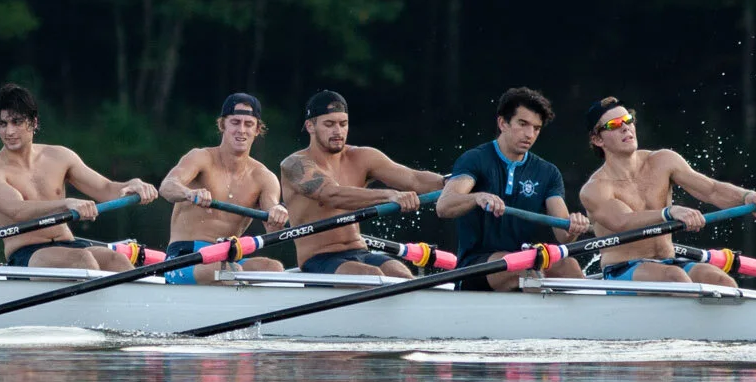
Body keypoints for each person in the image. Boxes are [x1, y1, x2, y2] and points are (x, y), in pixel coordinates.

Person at [579, 97, 756, 287]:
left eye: (628, 119)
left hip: (670, 263)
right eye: (614, 124)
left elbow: (712, 190)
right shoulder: (595, 188)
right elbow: (622, 221)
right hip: (622, 269)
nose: (625, 127)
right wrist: (669, 212)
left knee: (721, 281)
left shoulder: (663, 161)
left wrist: (746, 196)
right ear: (598, 140)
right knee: (676, 279)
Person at [0, 83, 158, 270]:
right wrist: (66, 203)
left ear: (34, 122)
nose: (9, 132)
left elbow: (105, 189)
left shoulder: (60, 156)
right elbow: (18, 211)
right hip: (27, 253)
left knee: (116, 260)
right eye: (2, 124)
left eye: (17, 122)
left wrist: (132, 185)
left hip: (69, 244)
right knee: (83, 261)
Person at [435, 87, 592, 290]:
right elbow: (444, 205)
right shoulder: (476, 159)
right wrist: (477, 197)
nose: (530, 134)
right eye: (523, 124)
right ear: (503, 123)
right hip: (474, 267)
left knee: (568, 265)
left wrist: (573, 226)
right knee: (526, 268)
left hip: (522, 259)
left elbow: (563, 234)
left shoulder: (547, 172)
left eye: (536, 128)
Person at [279, 90, 444, 277]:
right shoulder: (295, 164)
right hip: (319, 259)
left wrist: (455, 181)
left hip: (360, 251)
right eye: (329, 124)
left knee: (402, 276)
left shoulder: (362, 157)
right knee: (372, 275)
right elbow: (332, 195)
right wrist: (389, 195)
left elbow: (415, 179)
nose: (338, 131)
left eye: (343, 124)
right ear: (310, 126)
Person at [158, 92, 293, 284]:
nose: (242, 130)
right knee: (230, 270)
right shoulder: (200, 158)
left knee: (273, 269)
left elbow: (271, 224)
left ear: (257, 130)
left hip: (228, 257)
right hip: (183, 258)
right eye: (235, 122)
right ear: (223, 125)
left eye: (249, 124)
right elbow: (167, 187)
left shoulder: (264, 177)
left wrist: (278, 214)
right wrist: (189, 193)